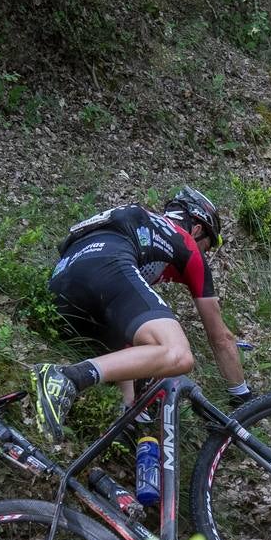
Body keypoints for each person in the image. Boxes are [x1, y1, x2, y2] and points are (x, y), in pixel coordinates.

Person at [30, 186, 253, 441]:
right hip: (107, 265)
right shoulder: (186, 242)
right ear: (198, 228)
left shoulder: (146, 228)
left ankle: (125, 428)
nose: (205, 254)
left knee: (141, 357)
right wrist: (242, 396)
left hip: (60, 286)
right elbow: (220, 337)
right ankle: (67, 378)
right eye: (208, 246)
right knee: (177, 354)